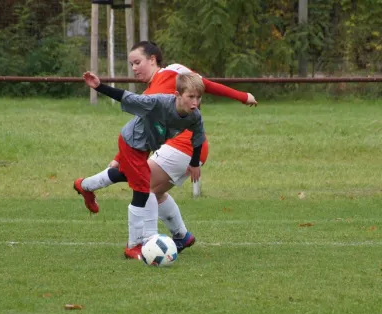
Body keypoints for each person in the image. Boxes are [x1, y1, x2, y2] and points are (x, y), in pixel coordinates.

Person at [75, 41, 257, 254]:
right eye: (131, 64)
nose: (133, 68)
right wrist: (119, 156)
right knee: (146, 184)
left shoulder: (173, 73)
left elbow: (205, 84)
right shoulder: (151, 94)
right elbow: (139, 129)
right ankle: (180, 236)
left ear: (152, 59)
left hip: (183, 147)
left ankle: (145, 243)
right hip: (172, 147)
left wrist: (242, 96)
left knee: (145, 187)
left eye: (137, 62)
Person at [78, 70, 206, 260]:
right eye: (190, 97)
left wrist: (195, 163)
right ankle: (135, 245)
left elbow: (198, 138)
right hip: (131, 142)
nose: (195, 102)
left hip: (144, 148)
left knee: (129, 175)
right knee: (143, 189)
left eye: (198, 97)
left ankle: (85, 185)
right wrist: (99, 86)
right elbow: (128, 97)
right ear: (178, 95)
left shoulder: (194, 116)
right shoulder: (159, 102)